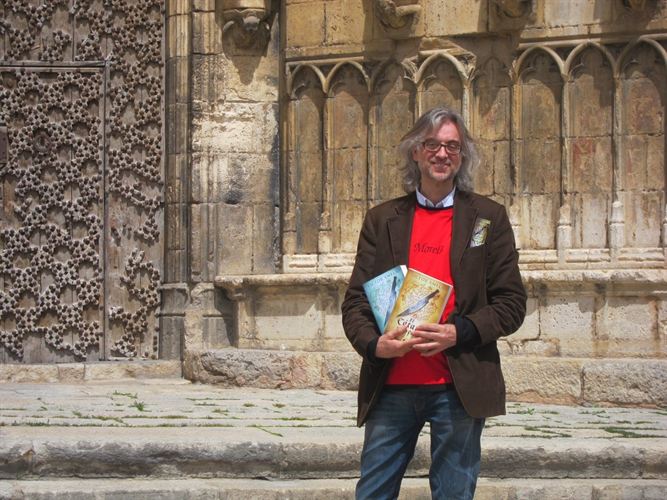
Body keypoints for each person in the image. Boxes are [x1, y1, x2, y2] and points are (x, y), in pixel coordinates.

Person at [341, 107, 527, 500]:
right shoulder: (382, 219)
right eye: (432, 145)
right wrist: (374, 345)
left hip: (457, 387)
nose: (442, 154)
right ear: (415, 151)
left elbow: (511, 304)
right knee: (372, 493)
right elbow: (356, 302)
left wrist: (458, 332)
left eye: (452, 146)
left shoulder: (487, 218)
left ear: (462, 155)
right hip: (391, 385)